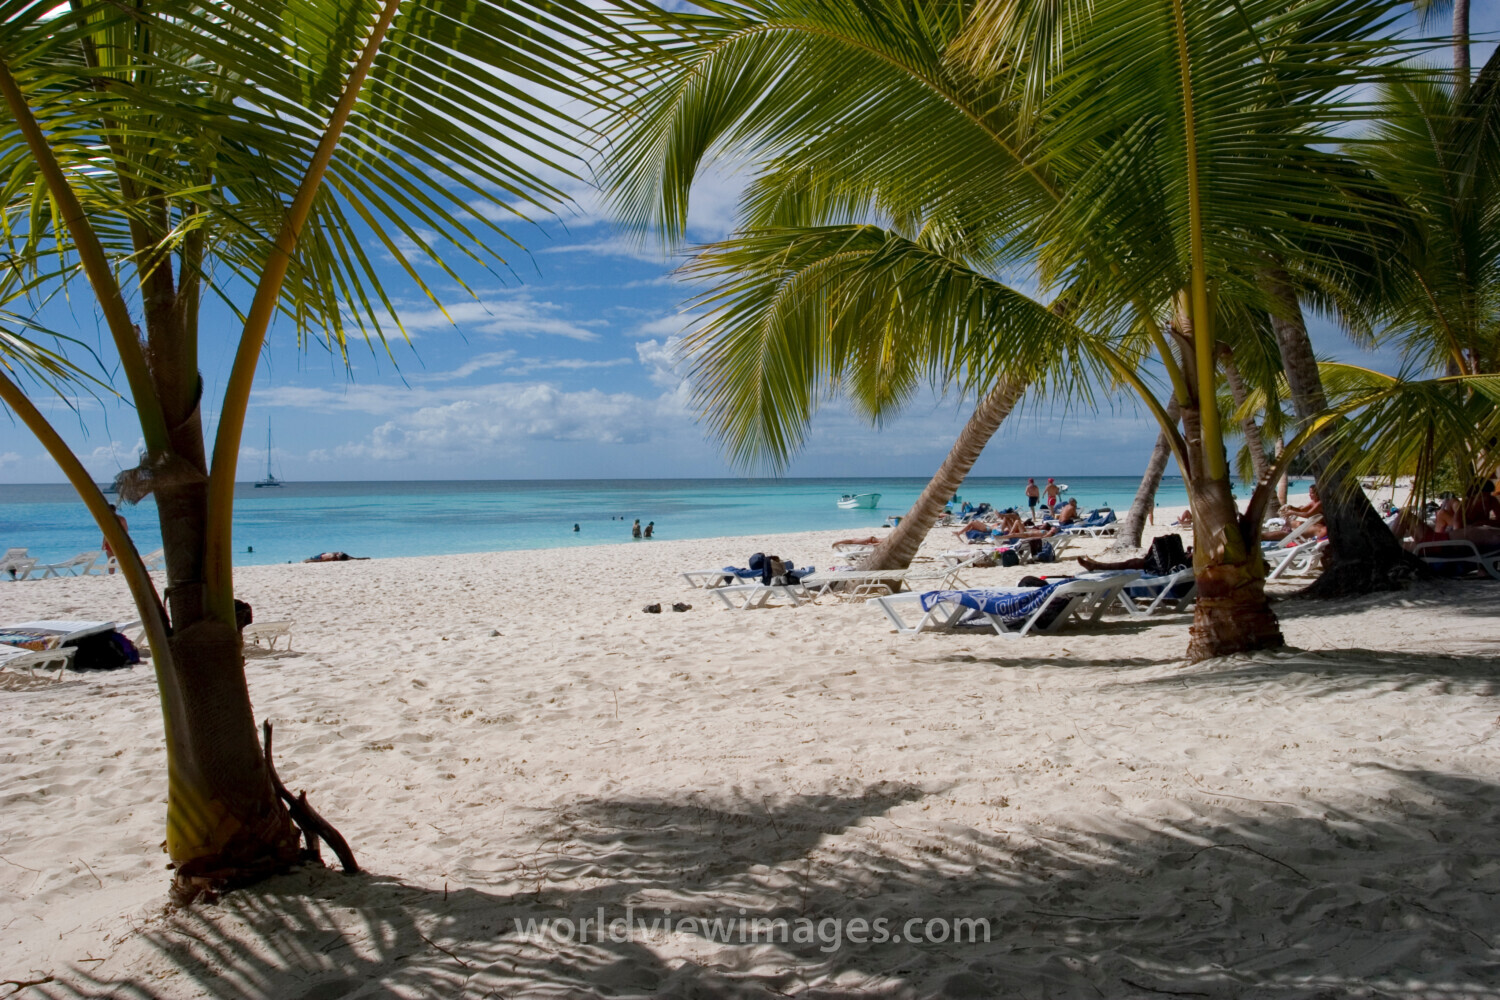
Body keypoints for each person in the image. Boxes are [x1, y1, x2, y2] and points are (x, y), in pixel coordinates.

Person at [101, 503, 129, 574]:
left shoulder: (107, 520)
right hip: (120, 542)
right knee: (121, 561)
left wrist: (103, 544)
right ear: (115, 510)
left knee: (111, 561)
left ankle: (111, 574)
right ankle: (123, 573)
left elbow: (106, 534)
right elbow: (126, 531)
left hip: (110, 542)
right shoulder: (122, 519)